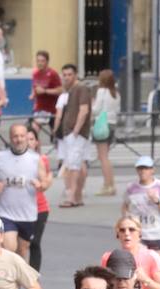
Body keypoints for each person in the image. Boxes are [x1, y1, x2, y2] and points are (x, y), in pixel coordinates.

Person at [0, 123, 50, 263]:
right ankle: (7, 275)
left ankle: (16, 275)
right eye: (15, 136)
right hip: (5, 212)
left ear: (26, 137)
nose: (19, 139)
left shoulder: (35, 159)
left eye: (22, 136)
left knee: (22, 251)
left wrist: (41, 185)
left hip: (27, 214)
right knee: (9, 248)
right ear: (10, 138)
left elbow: (45, 181)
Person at [101, 216, 160, 289]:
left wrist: (145, 279)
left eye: (131, 229)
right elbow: (102, 287)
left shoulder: (152, 256)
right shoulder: (108, 257)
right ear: (117, 235)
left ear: (139, 233)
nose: (127, 233)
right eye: (122, 230)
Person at [55, 65, 92, 207]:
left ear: (75, 75)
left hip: (75, 133)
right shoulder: (71, 91)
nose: (66, 77)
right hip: (72, 132)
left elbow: (84, 110)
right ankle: (77, 196)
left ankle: (71, 197)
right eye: (64, 75)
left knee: (73, 165)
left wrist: (76, 130)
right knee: (78, 164)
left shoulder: (80, 89)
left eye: (69, 74)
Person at [123, 156, 160, 251]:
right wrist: (126, 221)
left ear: (152, 170)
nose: (142, 171)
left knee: (154, 261)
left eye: (146, 168)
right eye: (140, 168)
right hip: (138, 234)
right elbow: (125, 205)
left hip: (157, 234)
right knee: (137, 260)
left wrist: (157, 201)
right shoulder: (131, 187)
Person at [27, 131, 53, 272]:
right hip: (20, 208)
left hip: (40, 208)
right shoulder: (13, 160)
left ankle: (33, 276)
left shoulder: (42, 159)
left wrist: (43, 184)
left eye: (32, 139)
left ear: (37, 142)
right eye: (26, 139)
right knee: (21, 245)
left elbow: (47, 181)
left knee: (35, 242)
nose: (28, 142)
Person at [91, 70, 119, 196]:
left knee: (103, 157)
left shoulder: (101, 91)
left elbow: (96, 110)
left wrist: (92, 104)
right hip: (112, 124)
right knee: (105, 156)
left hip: (102, 125)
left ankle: (107, 185)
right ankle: (111, 184)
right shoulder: (116, 93)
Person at [29, 51, 62, 140]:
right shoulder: (35, 73)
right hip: (40, 108)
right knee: (33, 132)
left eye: (42, 61)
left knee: (55, 135)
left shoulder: (53, 74)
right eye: (38, 61)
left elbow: (60, 90)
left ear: (47, 61)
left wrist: (45, 91)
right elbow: (34, 86)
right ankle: (35, 147)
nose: (40, 63)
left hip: (53, 109)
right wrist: (33, 94)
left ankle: (55, 144)